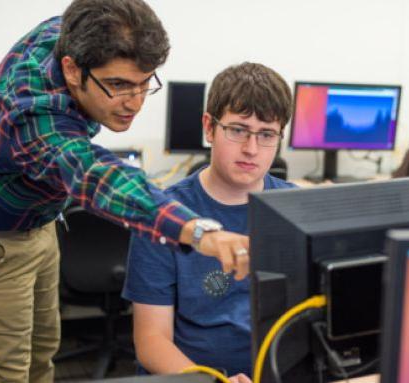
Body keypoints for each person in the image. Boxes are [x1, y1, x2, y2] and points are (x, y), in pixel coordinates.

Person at [0, 1, 250, 382]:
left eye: (145, 82)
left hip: (39, 223)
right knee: (2, 373)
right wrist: (197, 230)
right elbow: (99, 177)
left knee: (41, 355)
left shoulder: (70, 32)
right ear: (71, 69)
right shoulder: (34, 119)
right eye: (118, 85)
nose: (136, 102)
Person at [122, 62, 296, 383]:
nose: (251, 148)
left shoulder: (296, 211)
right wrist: (213, 381)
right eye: (238, 130)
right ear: (209, 127)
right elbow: (151, 341)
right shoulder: (166, 216)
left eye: (267, 134)